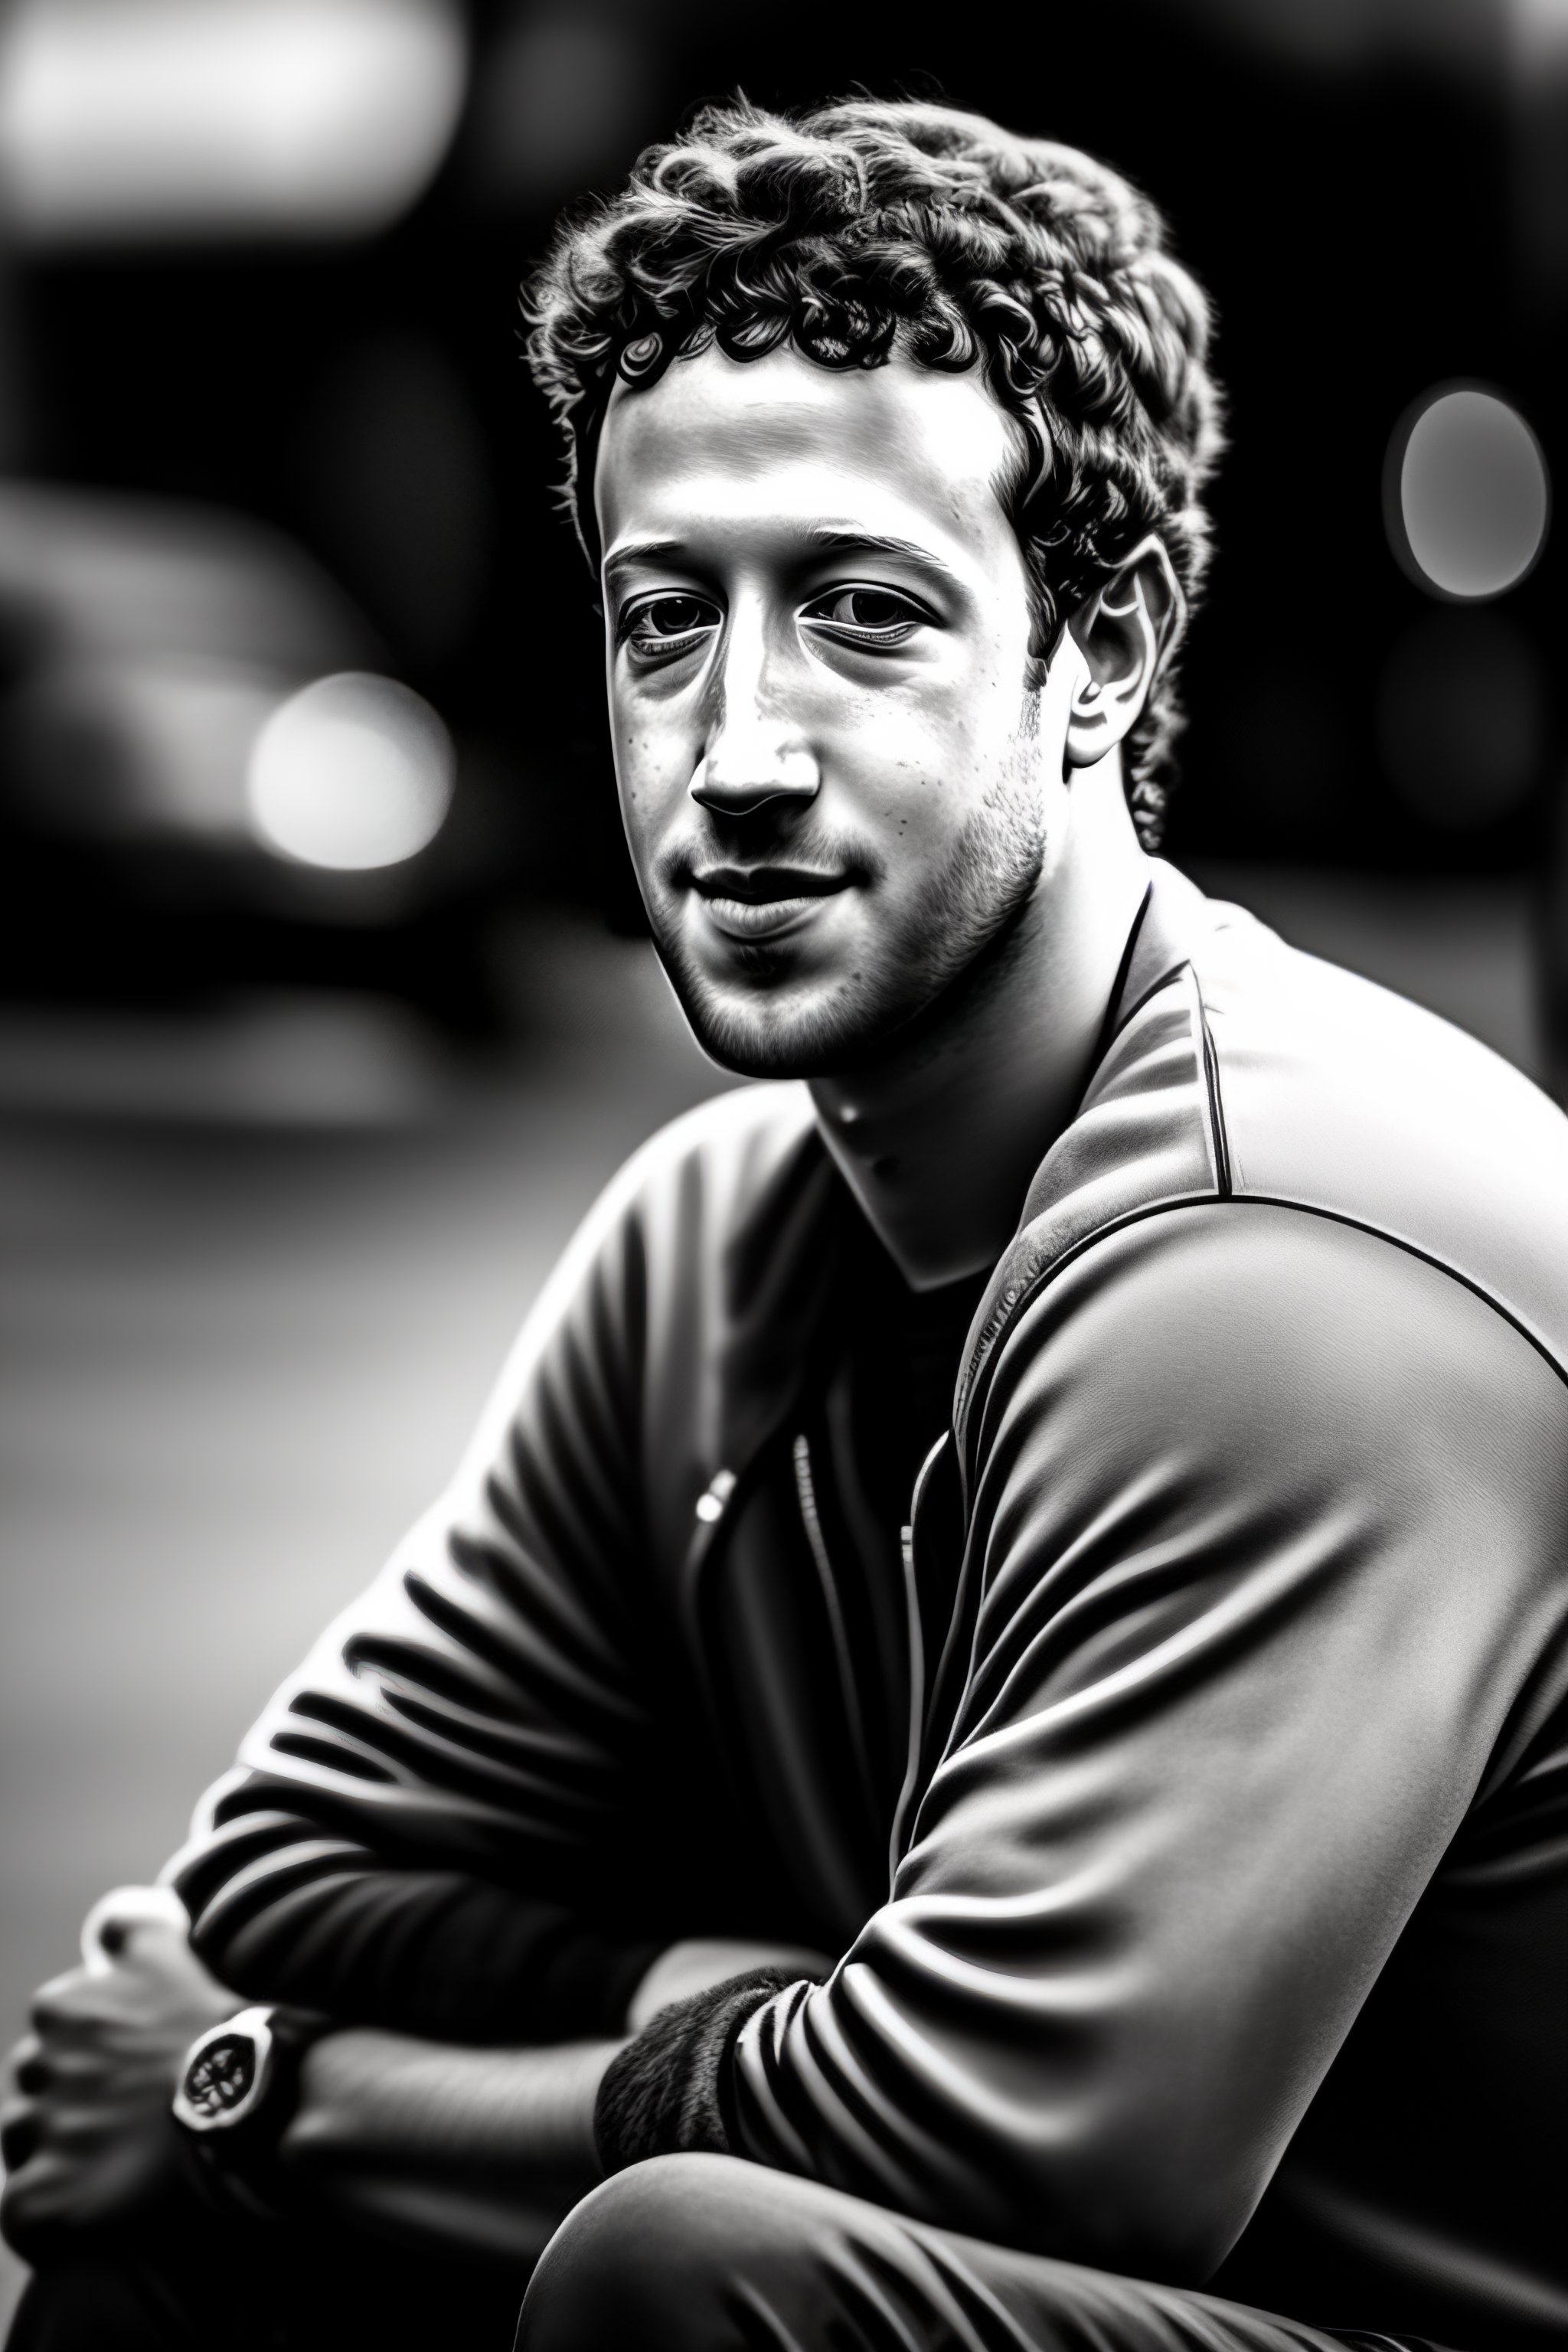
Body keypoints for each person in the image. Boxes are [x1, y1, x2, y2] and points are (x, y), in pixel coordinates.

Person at [4, 95, 1565, 2352]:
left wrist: (268, 2097)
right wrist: (718, 1998)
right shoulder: (717, 1237)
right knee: (200, 2256)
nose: (737, 748)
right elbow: (284, 1878)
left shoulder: (1287, 1257)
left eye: (860, 613)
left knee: (684, 2273)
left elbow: (1021, 2145)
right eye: (667, 620)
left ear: (1104, 650)